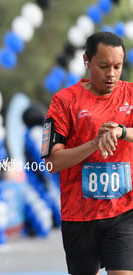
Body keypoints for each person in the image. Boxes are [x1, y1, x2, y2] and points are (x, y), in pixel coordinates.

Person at [42, 31, 133, 275]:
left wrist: (122, 132)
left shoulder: (131, 95)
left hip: (124, 211)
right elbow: (51, 162)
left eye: (117, 66)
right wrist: (95, 143)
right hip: (79, 216)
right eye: (103, 66)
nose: (112, 74)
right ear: (86, 61)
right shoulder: (64, 101)